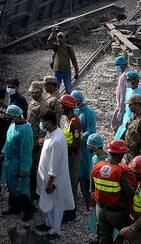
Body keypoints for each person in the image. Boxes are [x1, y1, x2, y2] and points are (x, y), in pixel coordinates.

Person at [36, 111, 74, 240]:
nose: (42, 124)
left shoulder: (57, 140)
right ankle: (48, 224)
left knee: (55, 205)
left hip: (53, 179)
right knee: (47, 202)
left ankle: (55, 230)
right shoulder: (52, 134)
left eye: (43, 122)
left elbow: (55, 164)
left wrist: (50, 182)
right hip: (46, 177)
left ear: (49, 122)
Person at [92, 139, 134, 244]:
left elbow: (92, 188)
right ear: (119, 156)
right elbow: (129, 193)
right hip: (116, 213)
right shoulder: (119, 171)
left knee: (104, 237)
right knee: (130, 232)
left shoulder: (97, 166)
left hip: (100, 210)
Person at [0, 105, 35, 221]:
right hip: (10, 161)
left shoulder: (25, 130)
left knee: (20, 188)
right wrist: (3, 153)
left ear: (15, 116)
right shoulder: (13, 125)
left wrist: (24, 168)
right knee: (11, 186)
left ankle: (29, 209)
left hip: (18, 163)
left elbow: (26, 151)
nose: (7, 117)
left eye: (9, 115)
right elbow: (8, 140)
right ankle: (14, 207)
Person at [59, 94, 83, 222]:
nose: (60, 108)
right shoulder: (67, 120)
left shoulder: (75, 123)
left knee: (72, 182)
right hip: (67, 154)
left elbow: (76, 144)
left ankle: (71, 210)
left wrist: (62, 147)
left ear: (67, 108)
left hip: (73, 156)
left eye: (62, 106)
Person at [72, 90, 97, 209]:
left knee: (85, 169)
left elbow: (91, 130)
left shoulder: (89, 112)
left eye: (76, 101)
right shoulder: (75, 110)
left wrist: (80, 137)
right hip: (75, 146)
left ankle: (87, 195)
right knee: (75, 168)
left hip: (84, 147)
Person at [115, 71, 141, 140]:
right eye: (127, 80)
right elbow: (126, 104)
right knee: (120, 136)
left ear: (135, 80)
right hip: (127, 117)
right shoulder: (128, 90)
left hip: (139, 118)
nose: (127, 82)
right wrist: (121, 111)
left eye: (129, 80)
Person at [86, 134, 109, 236]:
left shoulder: (107, 162)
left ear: (95, 147)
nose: (87, 148)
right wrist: (91, 190)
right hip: (96, 192)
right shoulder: (94, 157)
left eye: (89, 146)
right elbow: (92, 175)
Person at [47, 29, 79, 94]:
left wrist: (76, 72)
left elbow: (74, 60)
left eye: (61, 37)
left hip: (67, 72)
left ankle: (68, 101)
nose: (60, 39)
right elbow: (49, 42)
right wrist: (53, 33)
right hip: (57, 72)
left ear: (64, 38)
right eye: (58, 37)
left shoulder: (69, 48)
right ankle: (56, 101)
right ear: (57, 39)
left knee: (68, 89)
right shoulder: (56, 46)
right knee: (55, 90)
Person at [124, 94, 141, 161]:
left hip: (136, 155)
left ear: (137, 105)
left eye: (131, 104)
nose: (129, 106)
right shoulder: (133, 116)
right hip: (129, 153)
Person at [112, 56, 131, 131]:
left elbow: (123, 93)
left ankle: (118, 138)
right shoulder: (129, 72)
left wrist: (121, 109)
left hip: (123, 104)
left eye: (117, 66)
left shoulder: (124, 76)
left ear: (122, 65)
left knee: (115, 123)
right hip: (127, 103)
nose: (116, 67)